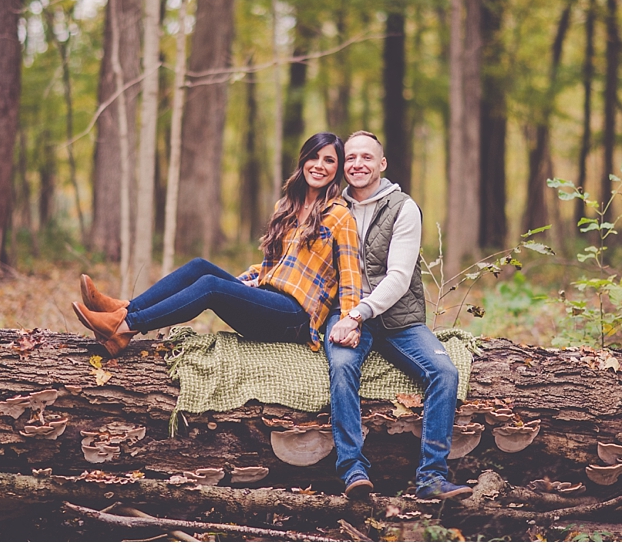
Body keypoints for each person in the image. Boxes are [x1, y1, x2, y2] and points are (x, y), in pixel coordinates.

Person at [72, 132, 363, 357]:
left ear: (337, 171)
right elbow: (270, 265)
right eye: (315, 157)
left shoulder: (338, 216)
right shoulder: (285, 206)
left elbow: (351, 278)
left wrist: (352, 323)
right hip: (267, 299)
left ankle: (123, 326)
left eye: (329, 161)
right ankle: (122, 310)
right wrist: (241, 285)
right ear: (303, 160)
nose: (320, 166)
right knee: (199, 266)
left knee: (211, 285)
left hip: (294, 317)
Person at [326, 131, 472, 501]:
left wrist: (358, 315)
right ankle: (352, 470)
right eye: (351, 157)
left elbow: (398, 277)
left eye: (366, 157)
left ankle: (432, 478)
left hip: (396, 318)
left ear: (382, 164)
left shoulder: (403, 207)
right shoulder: (331, 208)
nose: (357, 164)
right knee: (342, 368)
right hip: (345, 312)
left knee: (445, 372)